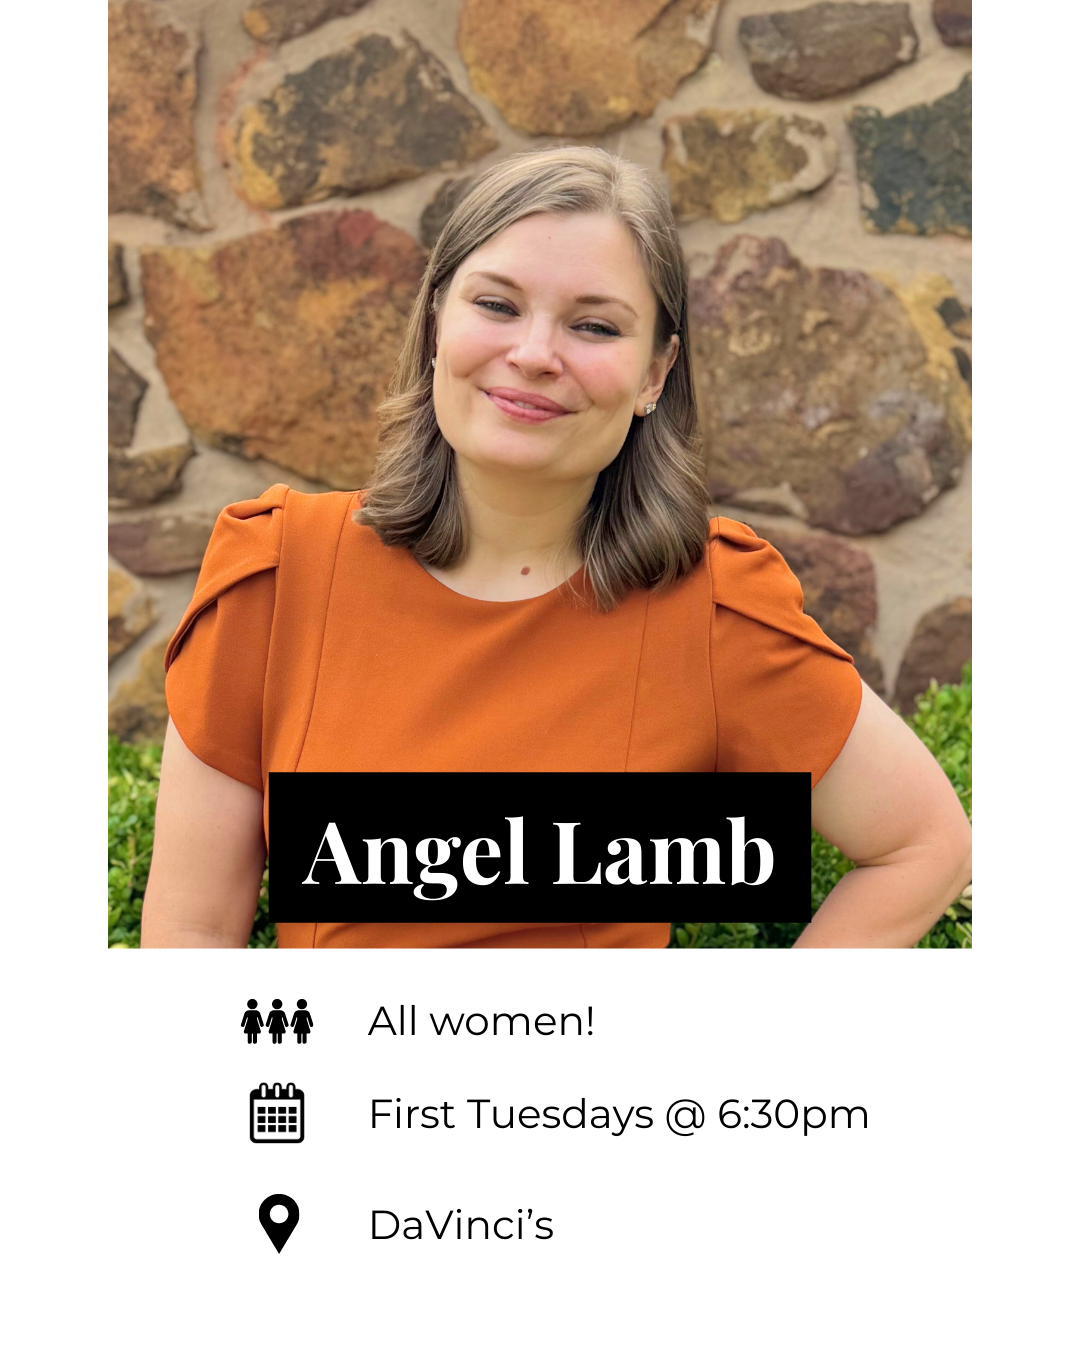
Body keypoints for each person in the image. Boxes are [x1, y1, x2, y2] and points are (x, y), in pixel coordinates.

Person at [139, 145, 971, 950]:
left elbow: (924, 845)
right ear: (435, 323)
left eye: (595, 326)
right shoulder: (278, 576)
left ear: (654, 374)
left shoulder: (712, 609)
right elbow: (192, 934)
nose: (535, 355)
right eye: (497, 306)